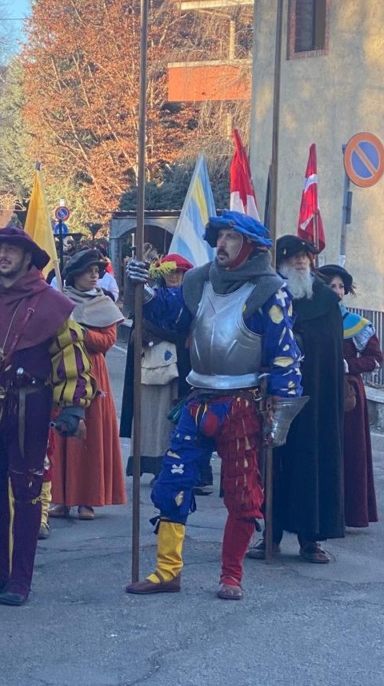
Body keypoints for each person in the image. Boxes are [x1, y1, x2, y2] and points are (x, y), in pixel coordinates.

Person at [125, 212, 302, 601]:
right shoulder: (197, 280)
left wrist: (280, 415)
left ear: (251, 246)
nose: (221, 244)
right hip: (197, 399)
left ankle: (231, 575)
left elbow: (285, 355)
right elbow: (169, 314)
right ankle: (167, 571)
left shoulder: (270, 291)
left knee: (243, 495)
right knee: (172, 482)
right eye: (220, 237)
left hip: (242, 404)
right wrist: (143, 287)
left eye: (232, 238)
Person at [0, 226, 94, 606]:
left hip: (30, 405)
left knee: (28, 491)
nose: (3, 255)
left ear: (27, 257)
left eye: (11, 250)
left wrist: (72, 405)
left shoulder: (50, 303)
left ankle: (21, 578)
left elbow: (72, 358)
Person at [249, 236, 345, 563]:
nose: (301, 262)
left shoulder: (325, 301)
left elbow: (330, 351)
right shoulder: (271, 296)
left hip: (315, 400)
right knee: (275, 465)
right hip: (277, 396)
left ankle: (310, 539)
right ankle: (270, 536)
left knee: (312, 464)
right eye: (294, 258)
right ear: (281, 263)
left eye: (305, 257)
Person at [49, 247, 125, 520]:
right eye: (89, 272)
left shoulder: (105, 304)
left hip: (93, 373)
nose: (94, 276)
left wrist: (79, 331)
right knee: (61, 433)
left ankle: (87, 500)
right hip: (64, 371)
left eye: (97, 272)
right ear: (75, 275)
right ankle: (60, 498)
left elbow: (107, 341)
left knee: (90, 435)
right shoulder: (60, 301)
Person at [316, 265, 380, 529]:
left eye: (341, 286)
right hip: (319, 393)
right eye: (332, 286)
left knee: (349, 453)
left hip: (348, 397)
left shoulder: (357, 325)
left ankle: (349, 511)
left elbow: (375, 360)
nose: (338, 291)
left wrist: (346, 366)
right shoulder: (312, 320)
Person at [120, 254, 194, 485]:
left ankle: (169, 464)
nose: (174, 276)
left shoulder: (192, 298)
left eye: (179, 273)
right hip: (147, 361)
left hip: (179, 366)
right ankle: (150, 463)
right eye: (170, 272)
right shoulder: (152, 296)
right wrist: (133, 281)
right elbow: (132, 306)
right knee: (146, 414)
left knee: (173, 416)